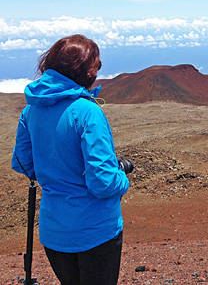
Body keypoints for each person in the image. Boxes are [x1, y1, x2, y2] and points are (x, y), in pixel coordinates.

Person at [12, 34, 130, 285]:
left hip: (54, 233)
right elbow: (103, 183)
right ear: (84, 71)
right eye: (96, 65)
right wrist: (122, 175)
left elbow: (23, 163)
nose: (98, 70)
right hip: (96, 233)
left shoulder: (30, 110)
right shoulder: (88, 112)